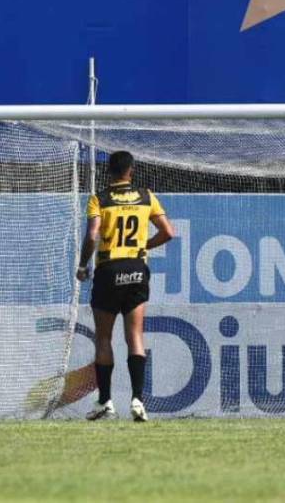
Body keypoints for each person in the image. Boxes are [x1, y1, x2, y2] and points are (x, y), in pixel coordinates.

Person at [76, 151, 175, 421]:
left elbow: (92, 235)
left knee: (104, 338)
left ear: (108, 171)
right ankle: (138, 401)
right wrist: (144, 245)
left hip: (109, 270)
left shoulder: (100, 198)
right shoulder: (146, 196)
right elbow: (168, 232)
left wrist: (83, 265)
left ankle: (106, 401)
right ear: (131, 170)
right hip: (136, 269)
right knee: (135, 337)